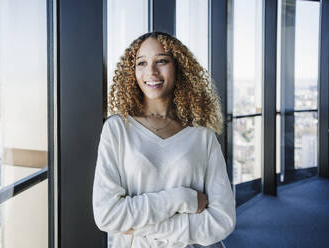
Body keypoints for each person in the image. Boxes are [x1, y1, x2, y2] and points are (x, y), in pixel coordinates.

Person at [92, 31, 235, 248]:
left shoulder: (202, 135)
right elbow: (107, 215)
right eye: (141, 63)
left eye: (162, 61)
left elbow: (222, 222)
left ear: (178, 68)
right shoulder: (117, 129)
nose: (151, 71)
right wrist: (183, 198)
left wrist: (140, 227)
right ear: (132, 72)